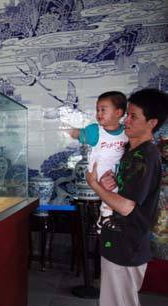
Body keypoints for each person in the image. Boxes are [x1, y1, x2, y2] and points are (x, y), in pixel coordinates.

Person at [86, 88, 168, 306]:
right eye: (127, 115)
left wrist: (94, 185)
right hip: (119, 242)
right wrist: (107, 184)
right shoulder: (130, 152)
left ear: (152, 123)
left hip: (127, 246)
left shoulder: (145, 156)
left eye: (133, 116)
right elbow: (123, 193)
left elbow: (125, 207)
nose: (127, 120)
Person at [70, 91, 128, 233]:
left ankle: (106, 217)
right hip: (99, 170)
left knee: (119, 190)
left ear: (118, 112)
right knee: (111, 188)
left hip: (117, 169)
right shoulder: (96, 131)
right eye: (97, 110)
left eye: (103, 110)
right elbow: (79, 134)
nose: (99, 113)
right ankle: (105, 217)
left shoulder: (126, 132)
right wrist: (70, 132)